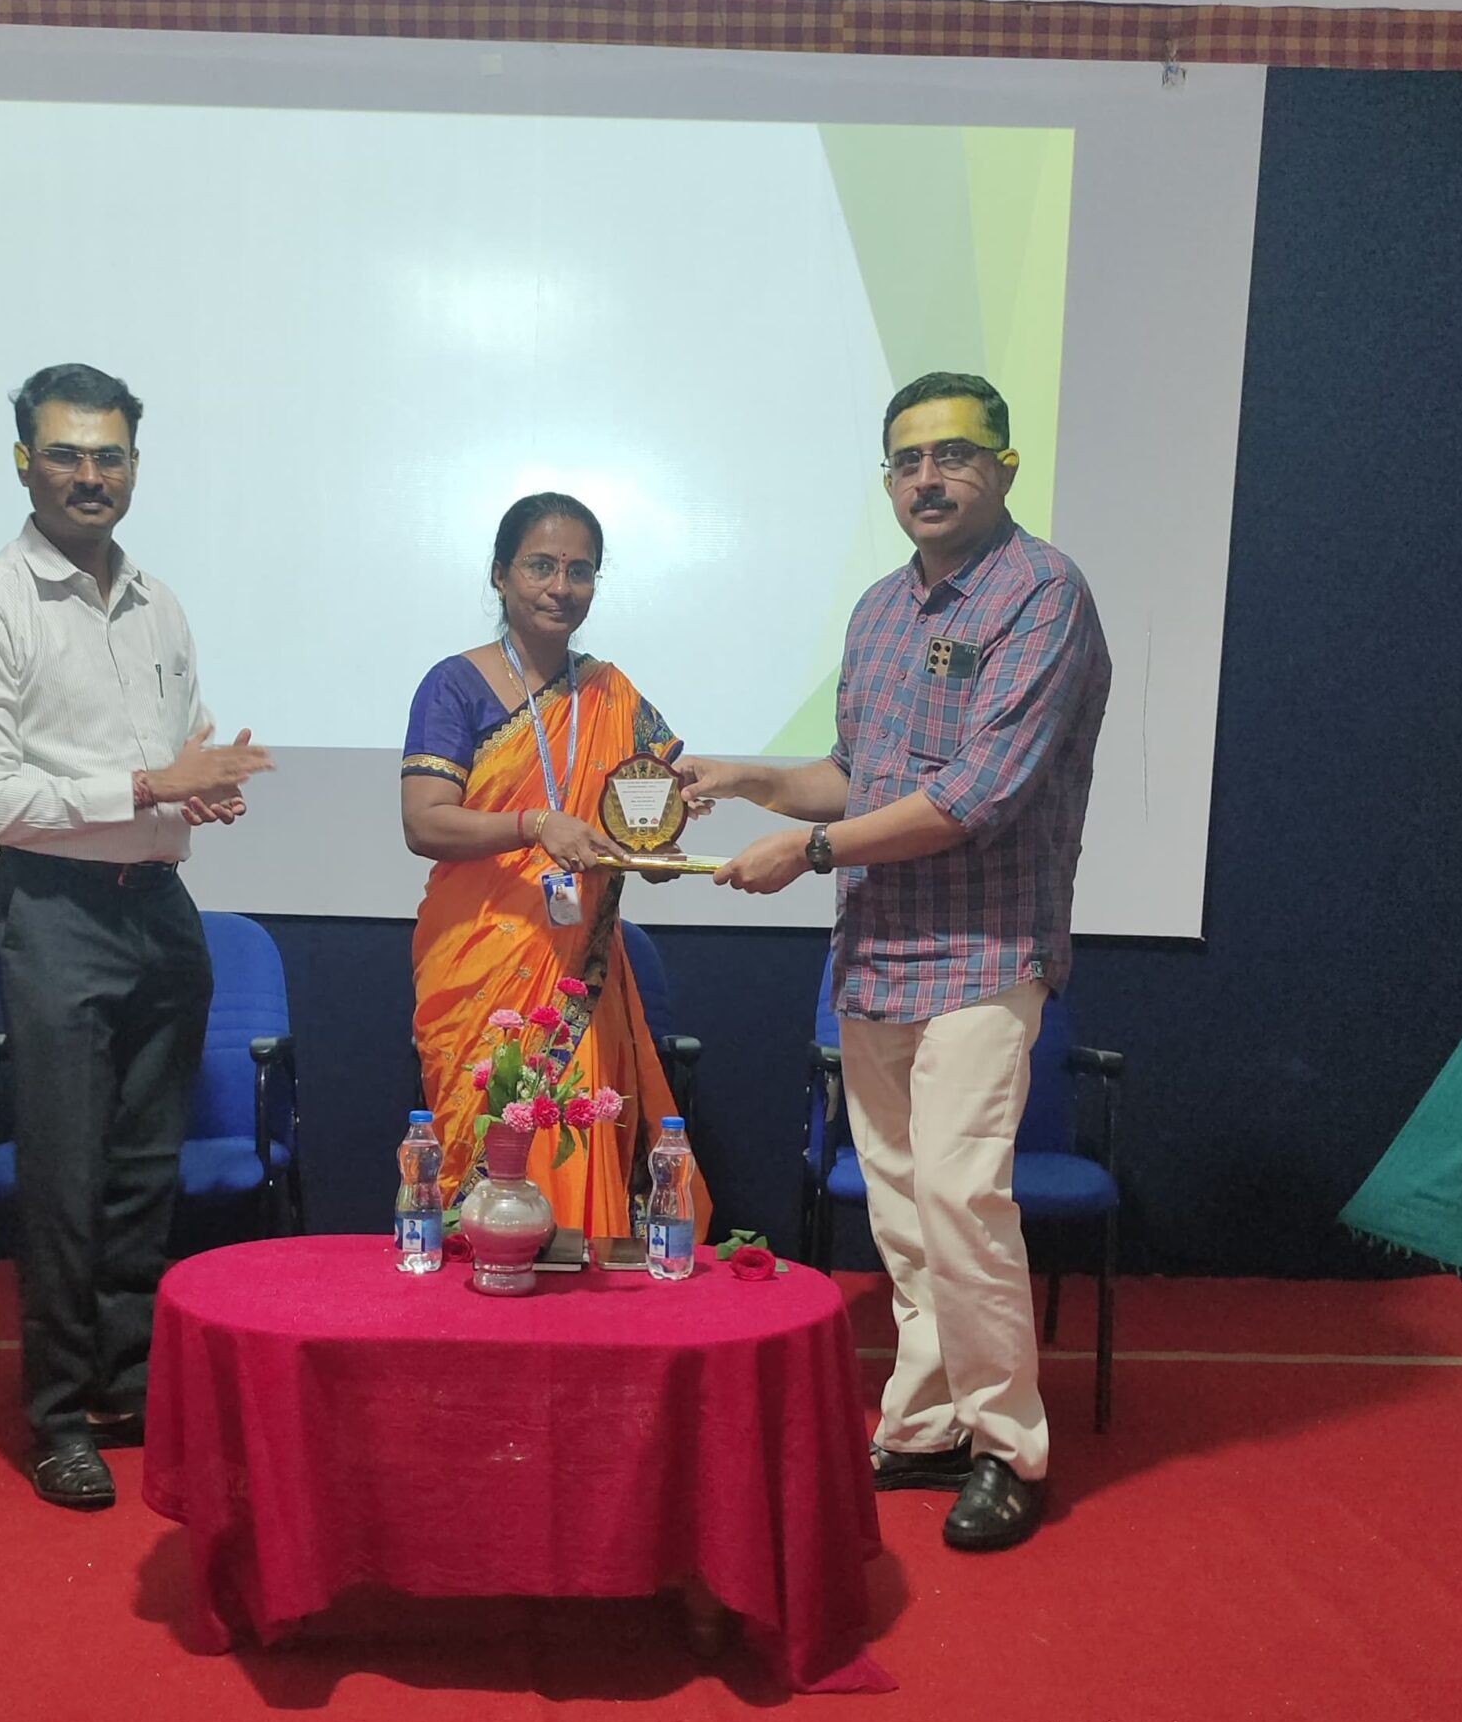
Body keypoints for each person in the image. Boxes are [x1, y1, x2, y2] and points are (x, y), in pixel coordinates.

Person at [680, 371, 1109, 1551]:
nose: (928, 477)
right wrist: (749, 779)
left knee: (964, 1201)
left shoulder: (1043, 594)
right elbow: (854, 772)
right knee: (909, 1213)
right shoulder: (877, 610)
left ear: (1004, 467)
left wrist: (810, 848)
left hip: (985, 949)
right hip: (875, 953)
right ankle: (926, 1424)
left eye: (954, 454)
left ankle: (1009, 1447)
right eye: (908, 459)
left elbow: (977, 794)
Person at [0, 361, 272, 1511]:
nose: (90, 474)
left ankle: (128, 1383)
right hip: (56, 911)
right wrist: (145, 784)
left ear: (134, 466)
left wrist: (196, 787)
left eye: (109, 455)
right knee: (67, 1176)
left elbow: (175, 752)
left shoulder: (158, 603)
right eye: (66, 453)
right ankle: (59, 1415)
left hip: (159, 909)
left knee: (142, 1167)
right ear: (23, 464)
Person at [401, 492, 710, 1244]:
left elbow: (648, 812)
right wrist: (535, 824)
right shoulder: (455, 685)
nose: (560, 587)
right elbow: (424, 821)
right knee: (483, 1140)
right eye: (540, 566)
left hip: (578, 969)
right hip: (479, 958)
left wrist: (658, 850)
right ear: (500, 574)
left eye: (580, 571)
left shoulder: (612, 695)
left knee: (578, 1139)